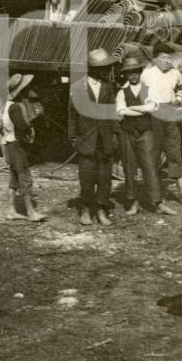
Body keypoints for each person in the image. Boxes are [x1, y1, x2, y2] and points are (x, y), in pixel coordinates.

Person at [115, 55, 176, 216]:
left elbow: (152, 108)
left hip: (145, 133)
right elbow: (121, 111)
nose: (133, 75)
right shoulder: (122, 92)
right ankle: (132, 202)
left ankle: (158, 203)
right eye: (129, 73)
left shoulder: (150, 89)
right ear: (125, 75)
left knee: (150, 167)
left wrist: (132, 109)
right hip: (128, 133)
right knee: (129, 168)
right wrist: (142, 108)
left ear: (140, 72)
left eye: (136, 72)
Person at [67, 48, 119, 227]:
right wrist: (73, 138)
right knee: (87, 176)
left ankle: (102, 209)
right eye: (101, 68)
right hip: (86, 139)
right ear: (91, 68)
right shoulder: (77, 87)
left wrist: (116, 135)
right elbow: (72, 114)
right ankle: (87, 209)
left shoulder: (108, 86)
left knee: (105, 176)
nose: (104, 71)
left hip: (104, 139)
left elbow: (112, 112)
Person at [140, 44, 182, 205]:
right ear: (155, 58)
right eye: (163, 58)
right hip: (153, 114)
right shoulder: (147, 73)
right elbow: (139, 93)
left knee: (174, 151)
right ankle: (155, 194)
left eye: (169, 58)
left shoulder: (175, 73)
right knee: (153, 153)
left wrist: (178, 100)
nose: (167, 61)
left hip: (169, 113)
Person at [0, 73, 45, 222]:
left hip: (8, 144)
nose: (28, 90)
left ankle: (11, 210)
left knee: (14, 178)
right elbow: (22, 126)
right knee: (25, 176)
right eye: (26, 88)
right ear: (21, 91)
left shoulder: (7, 105)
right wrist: (33, 123)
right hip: (17, 146)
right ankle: (31, 212)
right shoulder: (16, 107)